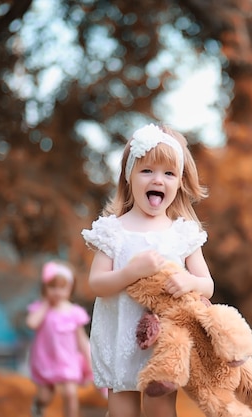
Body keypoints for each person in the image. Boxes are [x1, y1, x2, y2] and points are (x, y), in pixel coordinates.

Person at [81, 123, 214, 417]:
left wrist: (189, 281)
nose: (158, 180)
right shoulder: (113, 231)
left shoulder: (182, 234)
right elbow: (97, 283)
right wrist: (131, 271)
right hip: (121, 341)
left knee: (161, 410)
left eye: (168, 173)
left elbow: (208, 285)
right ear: (129, 176)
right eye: (147, 171)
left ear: (179, 182)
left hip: (165, 344)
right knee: (121, 412)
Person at [26, 260, 93, 417]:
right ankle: (38, 405)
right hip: (46, 359)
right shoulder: (41, 309)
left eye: (62, 288)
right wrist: (45, 304)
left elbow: (82, 340)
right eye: (52, 287)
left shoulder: (73, 312)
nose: (57, 292)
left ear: (70, 289)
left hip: (67, 359)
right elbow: (31, 323)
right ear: (45, 288)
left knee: (70, 393)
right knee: (45, 396)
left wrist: (89, 361)